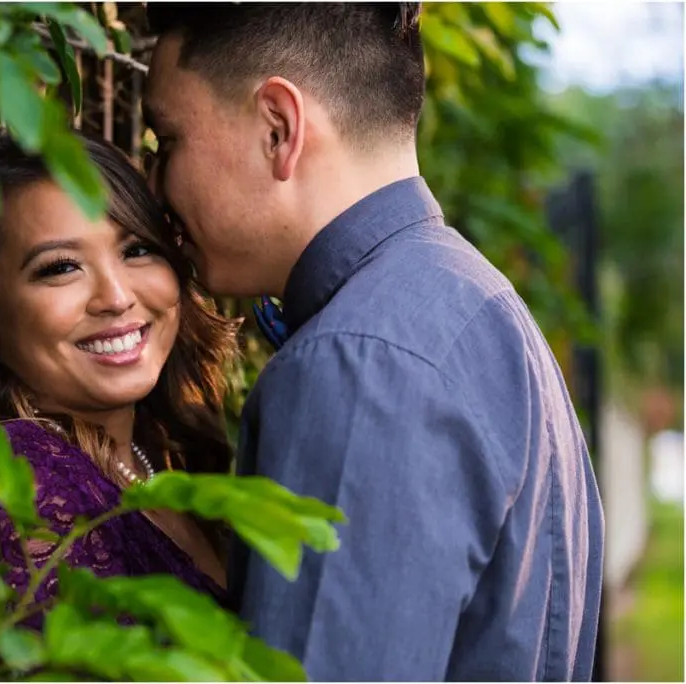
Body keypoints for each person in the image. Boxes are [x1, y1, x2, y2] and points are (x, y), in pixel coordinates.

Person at [144, 3, 604, 681]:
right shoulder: (479, 305)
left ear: (279, 128)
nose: (156, 187)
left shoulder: (358, 363)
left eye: (168, 141)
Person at [0, 128, 240, 627]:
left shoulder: (155, 454)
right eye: (61, 267)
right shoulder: (25, 478)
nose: (116, 296)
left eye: (137, 249)